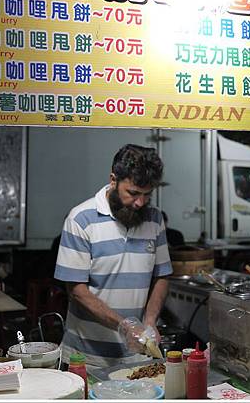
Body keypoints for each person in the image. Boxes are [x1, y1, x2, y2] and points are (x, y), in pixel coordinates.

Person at [54, 144, 172, 367]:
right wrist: (124, 325)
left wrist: (149, 321)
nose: (140, 203)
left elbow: (162, 275)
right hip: (86, 358)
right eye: (133, 193)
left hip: (137, 357)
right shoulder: (81, 219)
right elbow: (77, 291)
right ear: (113, 180)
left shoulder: (154, 219)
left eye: (147, 195)